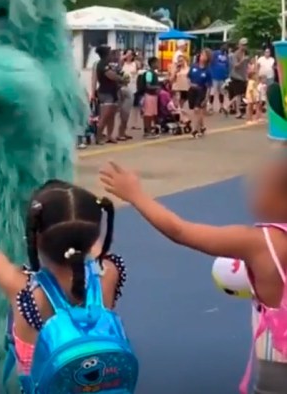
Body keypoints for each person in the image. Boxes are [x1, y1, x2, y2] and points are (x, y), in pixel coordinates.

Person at [100, 159, 287, 394]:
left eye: (262, 187)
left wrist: (136, 195)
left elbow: (180, 230)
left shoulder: (260, 243)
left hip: (278, 368)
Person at [0, 180, 126, 384]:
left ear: (34, 238)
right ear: (95, 234)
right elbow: (94, 246)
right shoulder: (109, 273)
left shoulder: (24, 290)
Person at [95, 45, 124, 144]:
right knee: (105, 116)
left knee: (111, 115)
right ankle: (98, 137)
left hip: (113, 91)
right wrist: (121, 79)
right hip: (105, 92)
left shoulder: (108, 64)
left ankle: (109, 135)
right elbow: (111, 76)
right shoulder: (102, 64)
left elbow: (118, 71)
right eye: (109, 52)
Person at [188, 49, 213, 138]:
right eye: (202, 54)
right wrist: (190, 84)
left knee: (197, 110)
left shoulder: (207, 71)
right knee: (194, 110)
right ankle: (202, 126)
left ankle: (194, 130)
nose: (202, 57)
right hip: (192, 90)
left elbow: (209, 86)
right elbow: (188, 77)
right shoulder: (194, 67)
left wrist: (207, 98)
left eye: (205, 56)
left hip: (201, 90)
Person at [139, 57, 161, 139]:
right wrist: (157, 87)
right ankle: (147, 131)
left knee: (152, 114)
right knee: (148, 114)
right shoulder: (149, 73)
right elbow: (148, 85)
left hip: (153, 96)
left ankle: (150, 129)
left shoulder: (154, 73)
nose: (158, 64)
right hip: (149, 96)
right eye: (157, 63)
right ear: (152, 64)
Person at [228, 38, 250, 118]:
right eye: (243, 45)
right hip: (236, 76)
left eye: (246, 45)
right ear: (239, 45)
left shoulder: (246, 53)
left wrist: (247, 76)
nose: (245, 46)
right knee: (238, 95)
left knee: (241, 94)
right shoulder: (235, 54)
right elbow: (235, 66)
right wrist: (242, 60)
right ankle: (237, 111)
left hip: (243, 77)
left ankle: (228, 106)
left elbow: (246, 66)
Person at [209, 42, 230, 114]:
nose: (225, 47)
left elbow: (227, 66)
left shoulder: (226, 55)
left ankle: (221, 106)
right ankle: (211, 106)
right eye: (224, 46)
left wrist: (227, 76)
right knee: (212, 92)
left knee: (221, 92)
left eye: (226, 46)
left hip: (222, 77)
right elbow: (210, 61)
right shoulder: (215, 53)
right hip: (214, 76)